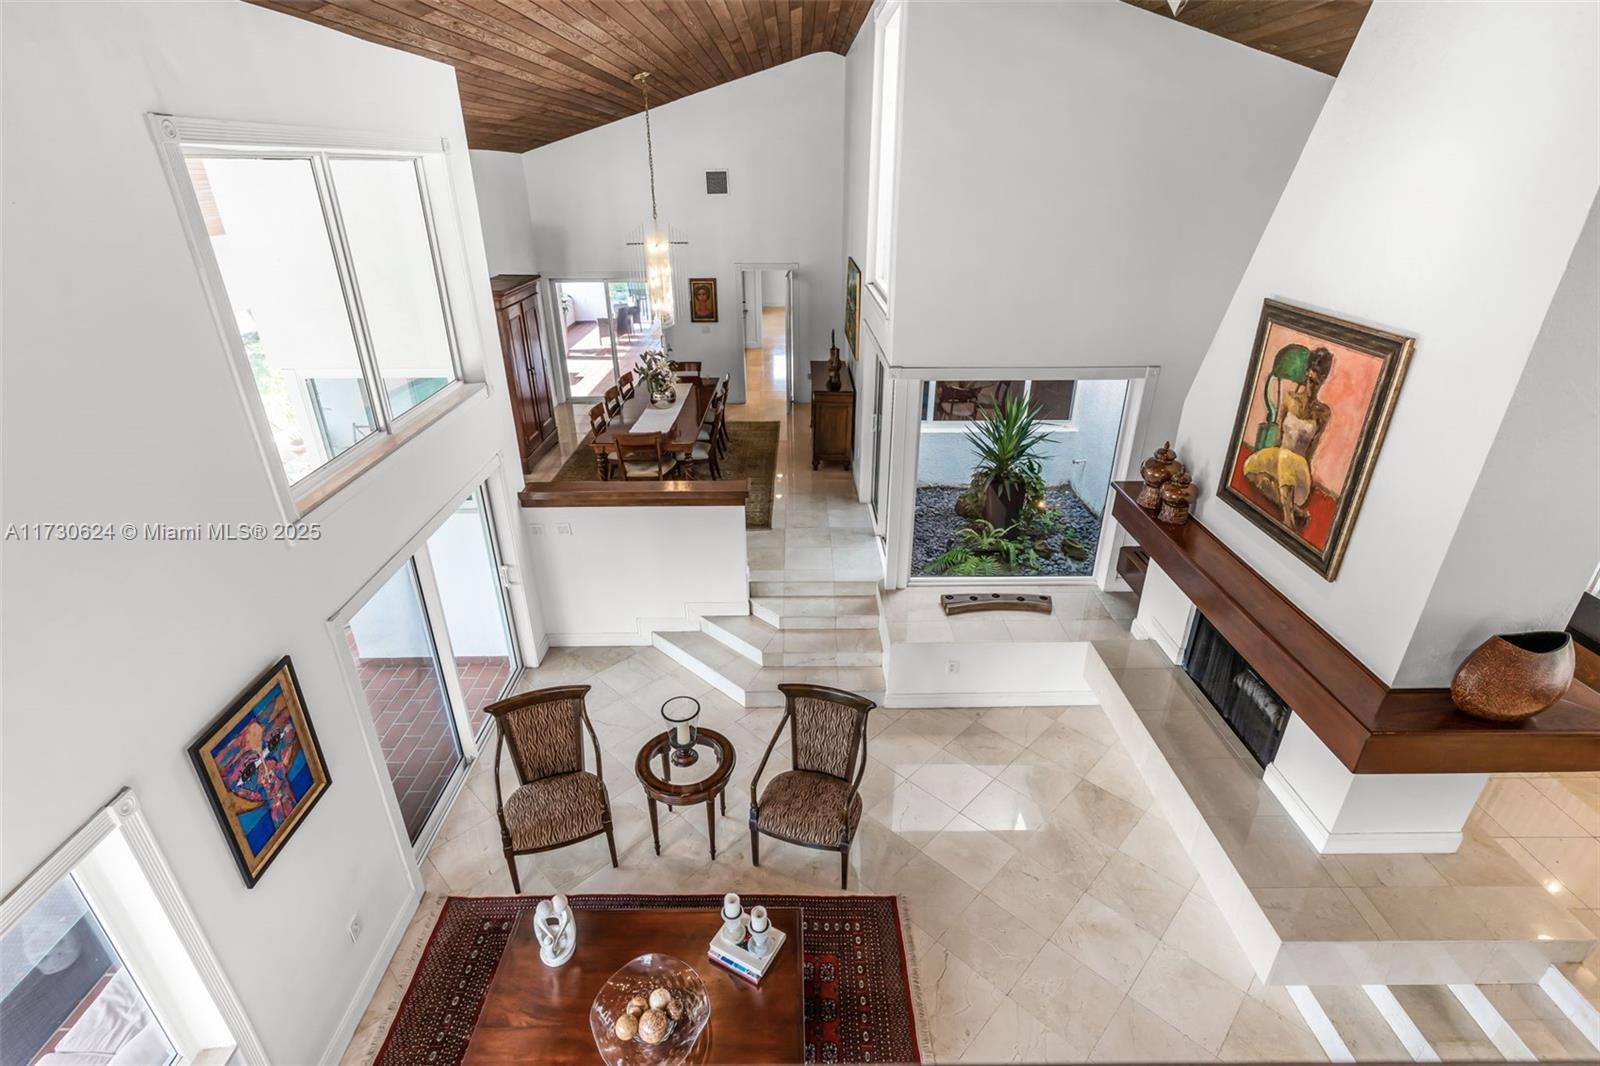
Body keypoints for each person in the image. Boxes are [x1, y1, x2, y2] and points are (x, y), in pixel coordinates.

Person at [1242, 346, 1333, 530]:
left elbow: (1311, 450)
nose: (1311, 386)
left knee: (1286, 457)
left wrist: (1307, 475)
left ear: (1323, 381)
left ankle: (1288, 518)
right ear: (1306, 373)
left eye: (1316, 382)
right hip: (1281, 459)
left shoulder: (1323, 413)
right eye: (1308, 380)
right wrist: (1271, 458)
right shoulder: (1288, 398)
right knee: (1250, 468)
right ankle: (1295, 510)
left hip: (1298, 469)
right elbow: (1279, 437)